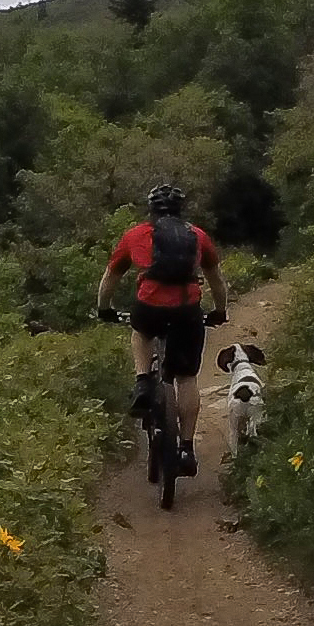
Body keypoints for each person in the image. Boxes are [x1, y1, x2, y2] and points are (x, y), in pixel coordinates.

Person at [95, 181, 230, 474]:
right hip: (187, 311)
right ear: (181, 210)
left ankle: (143, 380)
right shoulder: (198, 236)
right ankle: (187, 448)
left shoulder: (136, 235)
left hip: (150, 307)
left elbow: (111, 276)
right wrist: (220, 311)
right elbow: (217, 281)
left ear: (151, 209)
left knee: (140, 331)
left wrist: (103, 308)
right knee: (186, 378)